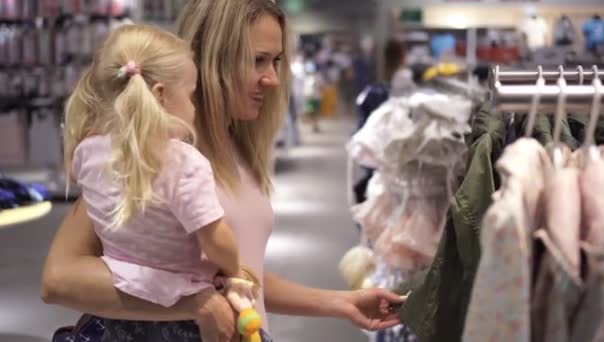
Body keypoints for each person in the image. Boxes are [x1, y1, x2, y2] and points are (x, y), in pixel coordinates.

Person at [41, 1, 404, 341]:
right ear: (213, 60)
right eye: (258, 60)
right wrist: (191, 304)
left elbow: (238, 275)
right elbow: (60, 278)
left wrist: (340, 303)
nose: (273, 79)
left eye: (276, 60)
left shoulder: (237, 148)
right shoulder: (153, 152)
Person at [61, 23, 263, 341]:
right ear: (161, 95)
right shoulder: (182, 162)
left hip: (121, 313)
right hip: (187, 314)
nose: (194, 107)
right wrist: (234, 268)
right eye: (191, 95)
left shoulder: (87, 152)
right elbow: (216, 240)